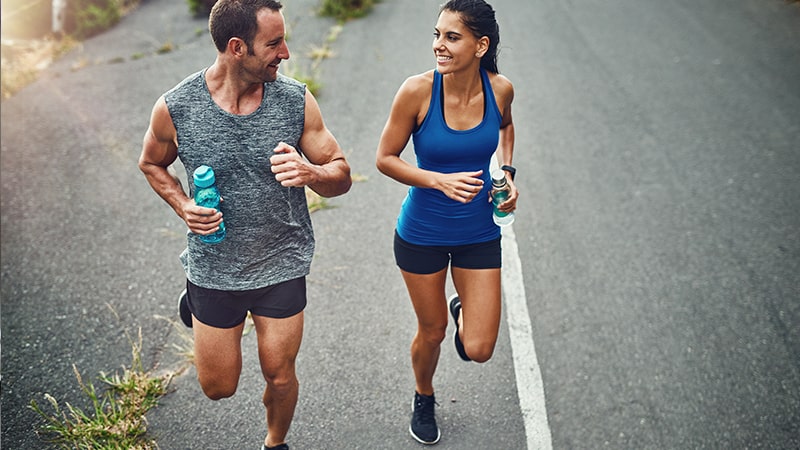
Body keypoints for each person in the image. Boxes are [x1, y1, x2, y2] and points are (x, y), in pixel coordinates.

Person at [138, 1, 351, 448]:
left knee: (280, 374)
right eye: (274, 44)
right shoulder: (176, 107)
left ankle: (275, 441)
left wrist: (311, 172)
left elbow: (341, 174)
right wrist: (183, 205)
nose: (286, 53)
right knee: (218, 387)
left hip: (281, 260)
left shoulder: (295, 101)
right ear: (237, 47)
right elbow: (152, 163)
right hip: (215, 265)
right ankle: (195, 303)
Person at [375, 0, 517, 445]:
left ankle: (462, 310)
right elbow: (385, 158)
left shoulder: (500, 90)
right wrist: (437, 180)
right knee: (432, 331)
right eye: (437, 34)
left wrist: (507, 174)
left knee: (479, 349)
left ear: (481, 45)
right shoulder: (417, 92)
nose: (439, 45)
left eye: (452, 37)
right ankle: (424, 394)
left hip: (479, 232)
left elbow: (506, 127)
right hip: (422, 235)